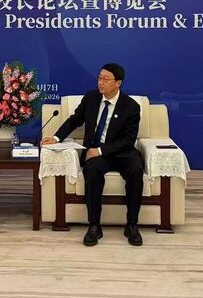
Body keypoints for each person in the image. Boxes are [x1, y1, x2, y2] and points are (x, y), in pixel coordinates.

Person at [41, 63, 143, 247]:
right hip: (96, 152)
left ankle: (132, 225)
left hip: (123, 152)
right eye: (99, 78)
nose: (100, 82)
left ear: (118, 83)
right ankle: (94, 225)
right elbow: (74, 120)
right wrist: (56, 138)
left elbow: (128, 140)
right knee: (93, 170)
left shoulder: (131, 106)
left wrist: (101, 150)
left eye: (106, 79)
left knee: (136, 169)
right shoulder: (91, 98)